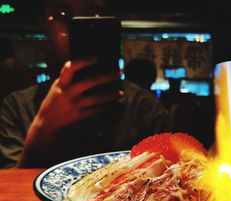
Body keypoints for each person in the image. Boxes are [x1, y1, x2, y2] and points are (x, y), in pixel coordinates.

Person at [0, 0, 169, 168]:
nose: (76, 26)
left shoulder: (144, 107)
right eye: (62, 15)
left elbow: (167, 177)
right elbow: (9, 190)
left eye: (94, 13)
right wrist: (44, 129)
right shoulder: (16, 107)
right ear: (43, 24)